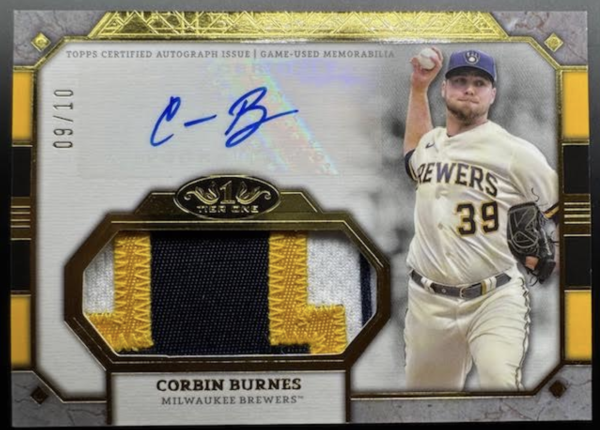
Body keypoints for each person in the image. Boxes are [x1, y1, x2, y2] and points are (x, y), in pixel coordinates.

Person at [402, 48, 558, 391]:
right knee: (427, 404)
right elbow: (413, 155)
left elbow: (567, 210)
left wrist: (565, 261)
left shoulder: (516, 152)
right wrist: (418, 89)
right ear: (444, 89)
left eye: (479, 83)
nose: (469, 89)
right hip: (428, 303)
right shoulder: (430, 144)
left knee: (499, 386)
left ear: (492, 94)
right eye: (460, 81)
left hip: (494, 298)